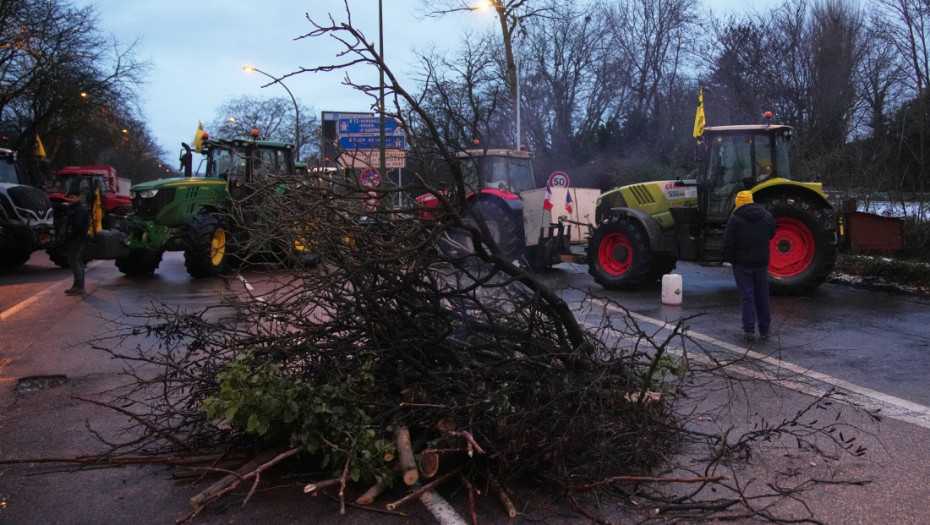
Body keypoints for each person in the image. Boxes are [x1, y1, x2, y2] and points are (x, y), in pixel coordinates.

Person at [723, 191, 776, 341]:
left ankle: (749, 330)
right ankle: (764, 329)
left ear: (738, 203)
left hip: (742, 264)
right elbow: (772, 233)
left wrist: (731, 259)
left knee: (747, 296)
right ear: (751, 201)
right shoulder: (767, 216)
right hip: (761, 263)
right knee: (762, 296)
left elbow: (728, 242)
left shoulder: (735, 218)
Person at [63, 190, 90, 296]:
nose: (69, 200)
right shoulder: (76, 209)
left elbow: (76, 226)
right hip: (79, 239)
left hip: (76, 240)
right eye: (69, 197)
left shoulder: (78, 210)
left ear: (78, 198)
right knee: (78, 262)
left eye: (72, 197)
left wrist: (71, 235)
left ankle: (78, 286)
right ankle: (79, 286)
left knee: (74, 262)